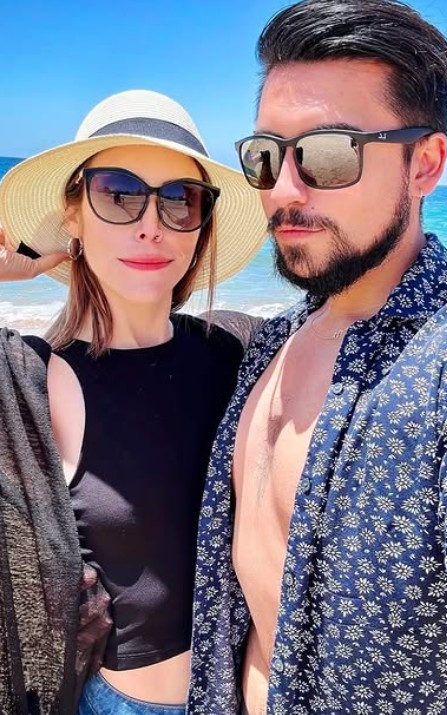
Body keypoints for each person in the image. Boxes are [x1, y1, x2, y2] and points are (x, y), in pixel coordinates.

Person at [186, 1, 447, 713]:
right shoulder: (274, 340)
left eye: (328, 153)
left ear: (425, 164)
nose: (284, 191)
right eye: (266, 156)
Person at [0, 89, 267, 714]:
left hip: (243, 696)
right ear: (73, 214)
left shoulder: (241, 349)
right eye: (118, 194)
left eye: (180, 198)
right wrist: (18, 267)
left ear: (202, 223)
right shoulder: (27, 380)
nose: (151, 224)